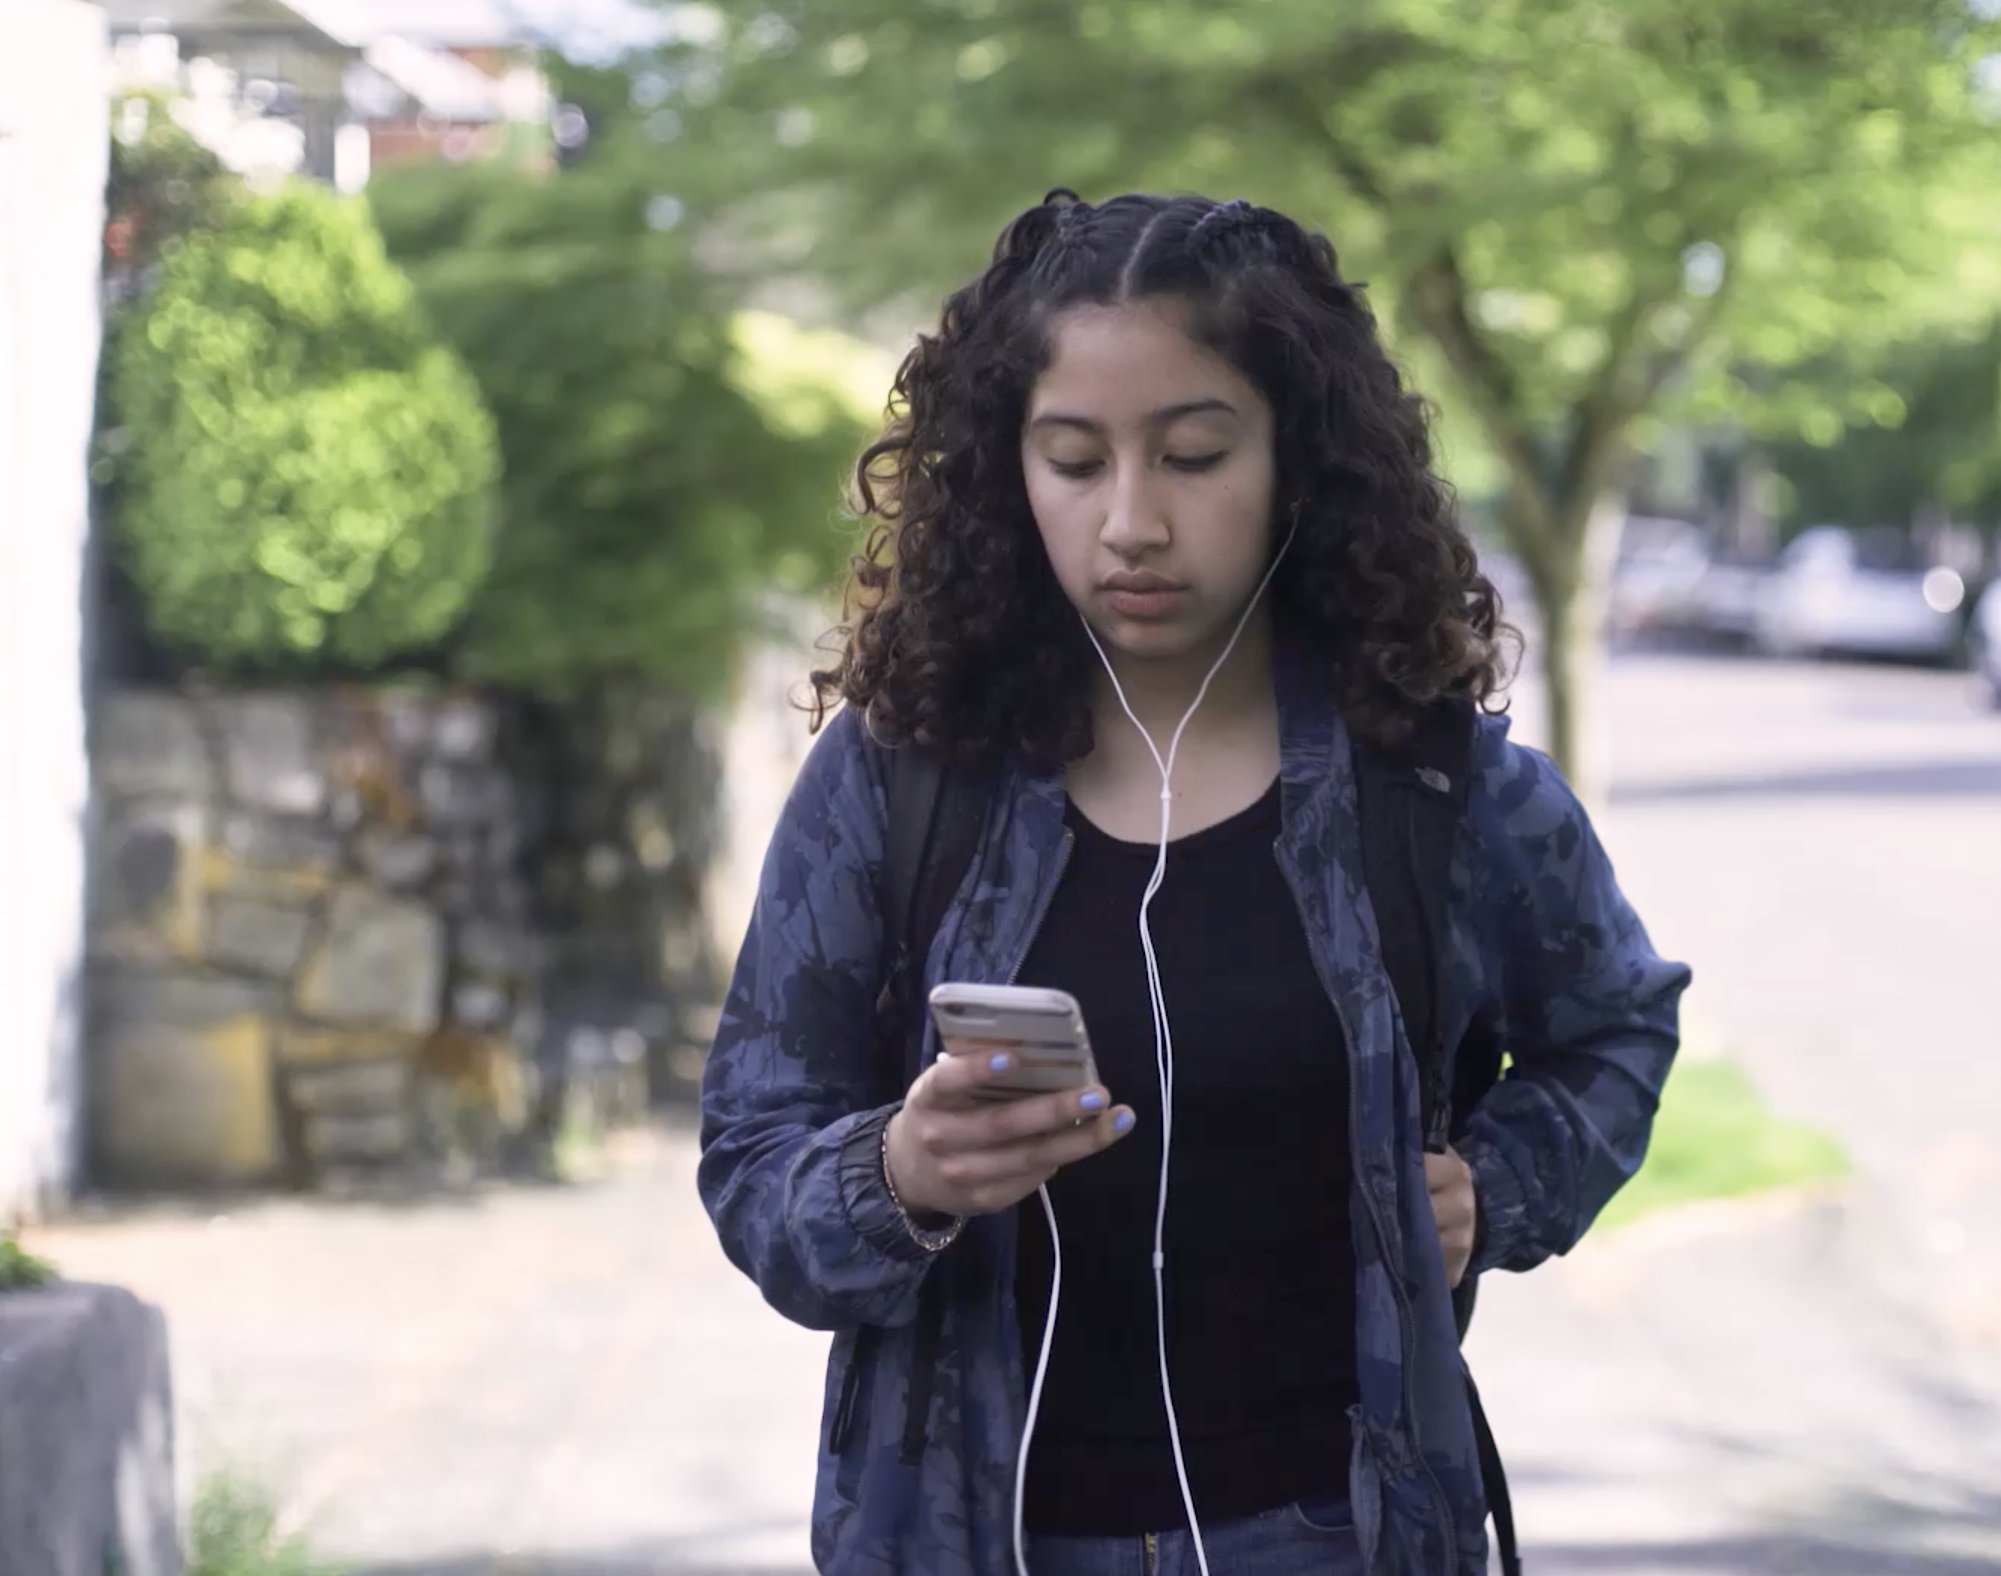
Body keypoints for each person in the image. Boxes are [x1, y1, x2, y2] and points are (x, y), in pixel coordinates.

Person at [699, 189, 1691, 1576]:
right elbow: (753, 1161)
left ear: (1299, 459)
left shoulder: (1434, 790)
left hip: (1335, 1532)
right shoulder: (899, 776)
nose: (1130, 523)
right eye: (1071, 460)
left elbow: (1614, 1028)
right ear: (1005, 471)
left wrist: (1498, 1190)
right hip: (975, 1539)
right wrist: (899, 1174)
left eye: (1193, 454)